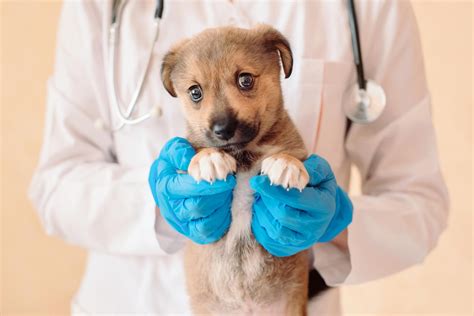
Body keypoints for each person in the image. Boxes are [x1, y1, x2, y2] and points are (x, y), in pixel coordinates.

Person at [29, 0, 449, 314]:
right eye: (195, 93)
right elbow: (54, 186)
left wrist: (335, 221)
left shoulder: (369, 7)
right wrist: (158, 206)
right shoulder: (100, 7)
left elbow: (419, 202)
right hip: (133, 302)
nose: (221, 117)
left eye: (246, 81)